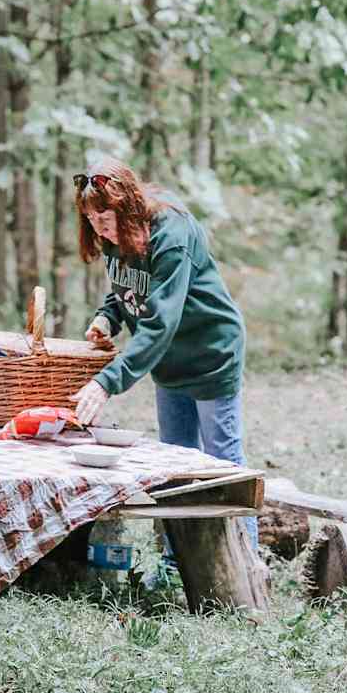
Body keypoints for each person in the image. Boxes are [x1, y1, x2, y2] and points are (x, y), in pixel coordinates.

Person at [69, 156, 256, 553]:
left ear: (128, 207)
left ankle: (247, 560)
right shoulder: (115, 236)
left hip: (210, 353)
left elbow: (160, 320)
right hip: (167, 363)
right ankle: (178, 564)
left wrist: (106, 383)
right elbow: (128, 286)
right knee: (176, 465)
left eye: (105, 220)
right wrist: (107, 318)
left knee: (223, 463)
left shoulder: (171, 231)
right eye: (92, 222)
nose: (100, 230)